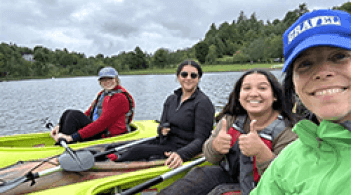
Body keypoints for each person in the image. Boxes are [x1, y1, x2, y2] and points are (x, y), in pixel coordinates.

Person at [251, 9, 351, 195]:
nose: (323, 72)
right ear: (294, 86)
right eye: (305, 64)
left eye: (339, 56)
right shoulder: (287, 161)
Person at [159, 69, 298, 195]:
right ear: (239, 96)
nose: (254, 93)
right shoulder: (230, 120)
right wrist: (215, 147)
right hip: (229, 175)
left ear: (275, 96)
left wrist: (262, 153)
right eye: (247, 88)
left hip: (265, 188)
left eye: (262, 88)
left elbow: (288, 182)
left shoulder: (288, 131)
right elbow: (210, 157)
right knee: (200, 174)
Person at [107, 60, 215, 169]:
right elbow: (162, 126)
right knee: (123, 146)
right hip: (166, 142)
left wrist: (181, 154)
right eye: (184, 74)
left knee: (137, 150)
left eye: (193, 75)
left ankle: (111, 165)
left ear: (199, 78)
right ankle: (110, 155)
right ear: (178, 77)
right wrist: (162, 130)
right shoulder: (171, 99)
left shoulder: (203, 103)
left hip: (183, 147)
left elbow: (202, 139)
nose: (188, 78)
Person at [50, 66, 135, 143]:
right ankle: (62, 138)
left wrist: (73, 137)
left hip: (106, 135)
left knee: (73, 115)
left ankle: (66, 142)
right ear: (100, 82)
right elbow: (88, 113)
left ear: (116, 79)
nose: (107, 82)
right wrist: (60, 125)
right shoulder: (103, 94)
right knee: (68, 112)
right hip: (98, 130)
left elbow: (102, 124)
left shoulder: (119, 98)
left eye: (110, 79)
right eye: (103, 80)